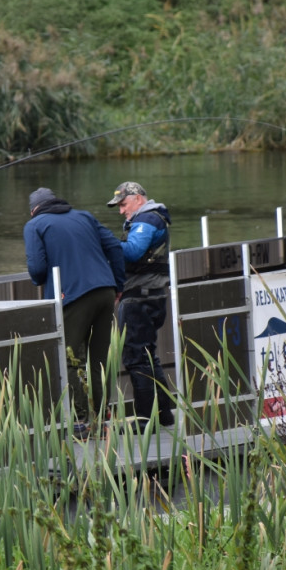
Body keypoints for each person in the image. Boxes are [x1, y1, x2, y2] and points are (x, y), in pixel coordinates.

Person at [24, 187, 126, 424]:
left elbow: (37, 268)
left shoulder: (34, 225)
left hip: (71, 295)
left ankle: (82, 419)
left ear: (33, 210)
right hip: (105, 291)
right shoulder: (84, 216)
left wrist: (42, 281)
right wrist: (118, 284)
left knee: (68, 357)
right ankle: (102, 415)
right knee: (99, 359)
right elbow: (114, 247)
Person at [107, 181, 176, 428]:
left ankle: (144, 421)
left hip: (141, 298)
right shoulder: (151, 218)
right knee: (149, 356)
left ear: (138, 199)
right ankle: (165, 415)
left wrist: (108, 242)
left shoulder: (147, 219)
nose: (121, 211)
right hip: (152, 295)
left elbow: (134, 251)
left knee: (136, 358)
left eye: (123, 204)